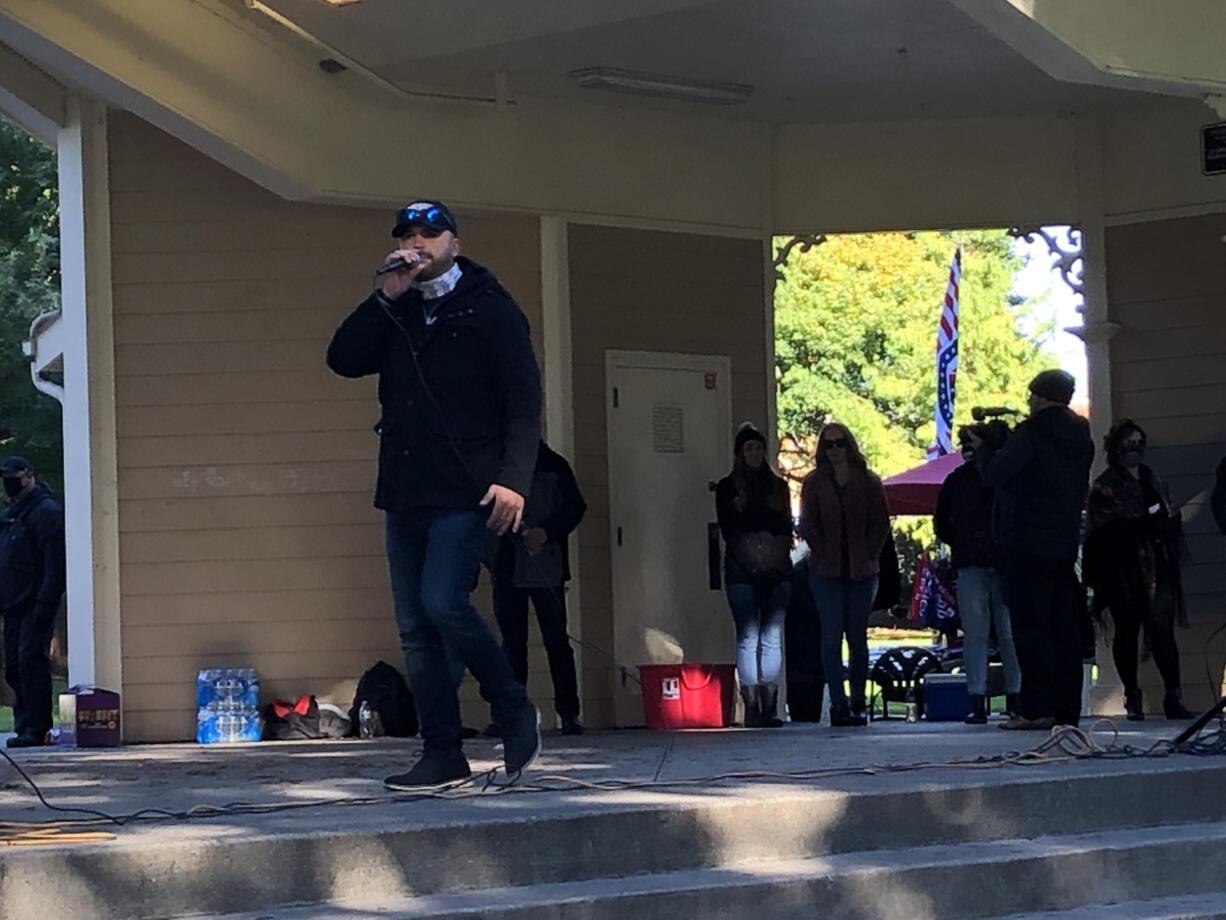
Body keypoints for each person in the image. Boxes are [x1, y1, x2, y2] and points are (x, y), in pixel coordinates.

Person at [326, 200, 542, 787]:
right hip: (404, 488)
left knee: (444, 602)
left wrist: (513, 481)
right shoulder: (397, 306)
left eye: (430, 232)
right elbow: (342, 359)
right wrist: (386, 296)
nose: (417, 242)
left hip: (469, 489)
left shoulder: (491, 308)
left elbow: (524, 405)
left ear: (454, 241)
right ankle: (442, 751)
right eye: (407, 234)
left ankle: (512, 705)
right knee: (416, 626)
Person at [969, 369, 1094, 730]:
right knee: (1064, 629)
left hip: (1024, 542)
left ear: (1038, 397)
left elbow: (995, 475)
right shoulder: (1081, 435)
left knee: (1031, 628)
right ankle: (1066, 709)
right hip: (1063, 543)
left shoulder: (1033, 432)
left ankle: (1037, 709)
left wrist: (984, 451)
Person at [1084, 421, 1194, 721]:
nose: (1134, 449)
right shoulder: (1106, 486)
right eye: (1128, 443)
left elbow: (1169, 512)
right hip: (1123, 571)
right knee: (1128, 631)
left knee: (1162, 631)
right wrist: (1143, 523)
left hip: (1157, 566)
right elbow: (1105, 530)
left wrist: (1166, 520)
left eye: (1138, 442)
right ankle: (1131, 694)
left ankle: (1174, 695)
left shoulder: (1152, 479)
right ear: (1116, 448)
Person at [489, 441, 586, 735]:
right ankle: (510, 716)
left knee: (557, 641)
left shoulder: (554, 465)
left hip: (548, 567)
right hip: (507, 567)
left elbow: (576, 507)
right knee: (511, 644)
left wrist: (547, 531)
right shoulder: (497, 465)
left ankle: (569, 713)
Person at [798, 423, 890, 728]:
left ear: (849, 445)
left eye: (839, 444)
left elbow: (880, 523)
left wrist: (869, 554)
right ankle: (837, 703)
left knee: (858, 639)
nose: (834, 450)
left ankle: (858, 701)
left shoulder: (868, 481)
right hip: (826, 571)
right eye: (828, 445)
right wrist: (823, 553)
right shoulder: (813, 483)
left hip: (862, 571)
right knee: (830, 637)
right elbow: (808, 523)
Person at [934, 428, 1022, 725]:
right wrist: (962, 543)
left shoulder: (1004, 477)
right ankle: (979, 699)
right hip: (974, 563)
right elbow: (941, 522)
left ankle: (1014, 697)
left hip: (1000, 563)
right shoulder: (957, 480)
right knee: (978, 634)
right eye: (964, 443)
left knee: (1006, 633)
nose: (966, 447)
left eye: (972, 442)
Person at [716, 423, 793, 727]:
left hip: (776, 571)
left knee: (772, 637)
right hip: (741, 571)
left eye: (759, 448)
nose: (755, 453)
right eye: (749, 448)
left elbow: (786, 528)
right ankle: (751, 707)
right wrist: (753, 562)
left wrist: (774, 561)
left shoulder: (779, 487)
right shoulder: (727, 488)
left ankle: (770, 704)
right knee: (748, 635)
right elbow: (730, 530)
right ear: (740, 453)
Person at [0, 456, 65, 749]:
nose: (9, 482)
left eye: (14, 476)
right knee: (14, 666)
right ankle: (23, 724)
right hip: (12, 604)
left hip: (36, 603)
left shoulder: (47, 513)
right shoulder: (12, 515)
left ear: (29, 476)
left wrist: (44, 604)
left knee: (31, 664)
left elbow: (54, 565)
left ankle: (37, 729)